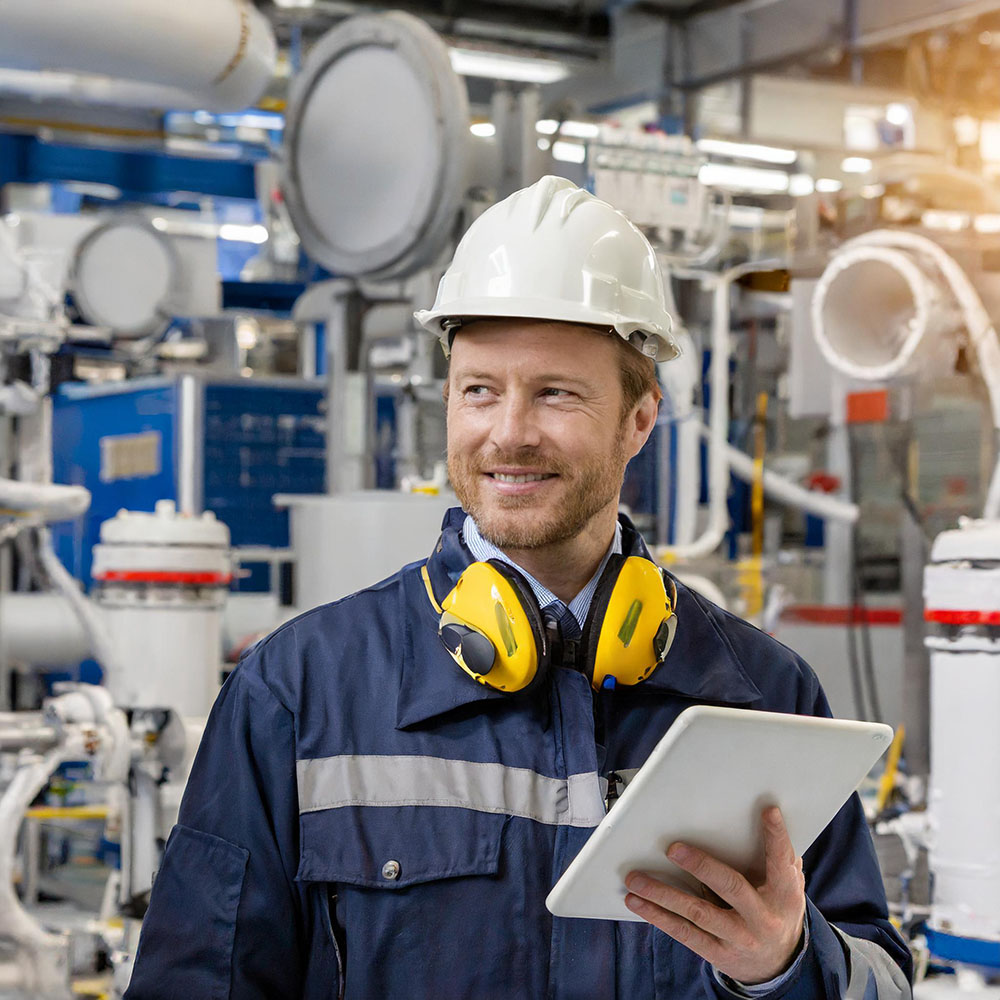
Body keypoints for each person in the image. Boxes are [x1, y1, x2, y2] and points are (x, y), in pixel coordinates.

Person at [125, 176, 912, 999]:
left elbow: (884, 979)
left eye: (555, 394)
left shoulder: (763, 696)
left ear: (640, 418)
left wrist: (785, 967)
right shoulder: (298, 694)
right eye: (480, 390)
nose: (508, 433)